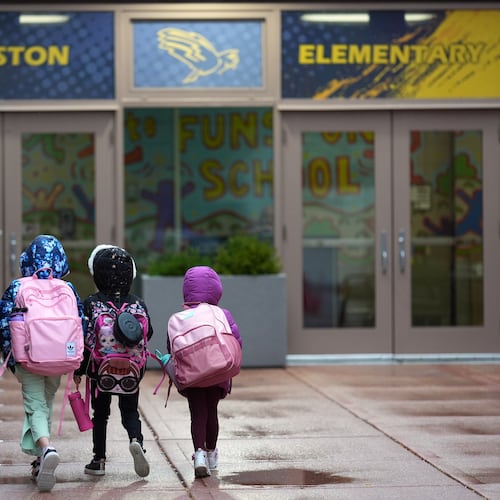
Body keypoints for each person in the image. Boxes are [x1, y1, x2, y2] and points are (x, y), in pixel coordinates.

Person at [0, 234, 85, 492]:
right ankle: (40, 460)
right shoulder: (68, 288)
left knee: (36, 405)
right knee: (45, 404)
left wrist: (10, 358)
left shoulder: (17, 287)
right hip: (60, 357)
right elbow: (81, 323)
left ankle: (47, 449)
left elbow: (4, 325)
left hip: (28, 358)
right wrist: (79, 364)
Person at [73, 245, 153, 478]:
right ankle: (136, 440)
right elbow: (147, 334)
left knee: (101, 415)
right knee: (130, 412)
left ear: (97, 275)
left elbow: (85, 339)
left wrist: (80, 369)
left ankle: (99, 459)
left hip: (101, 371)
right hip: (131, 371)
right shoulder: (138, 304)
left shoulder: (92, 303)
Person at [169, 265, 242, 478]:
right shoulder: (222, 313)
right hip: (219, 373)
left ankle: (198, 454)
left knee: (197, 414)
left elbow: (171, 347)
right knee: (212, 412)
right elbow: (236, 341)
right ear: (216, 289)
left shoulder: (182, 317)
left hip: (192, 376)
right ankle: (211, 454)